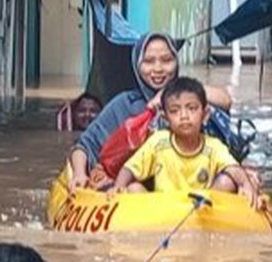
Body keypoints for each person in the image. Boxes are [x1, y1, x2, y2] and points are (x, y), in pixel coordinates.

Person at [66, 32, 233, 192]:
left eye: (166, 60)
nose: (158, 68)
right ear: (137, 65)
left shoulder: (190, 97)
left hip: (196, 194)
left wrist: (168, 93)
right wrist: (80, 174)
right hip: (139, 196)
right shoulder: (124, 105)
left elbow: (225, 100)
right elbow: (84, 145)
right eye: (149, 61)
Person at [110, 76, 260, 208]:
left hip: (201, 210)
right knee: (133, 188)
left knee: (227, 182)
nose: (184, 116)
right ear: (165, 118)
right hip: (162, 209)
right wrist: (118, 187)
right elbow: (130, 167)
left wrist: (246, 185)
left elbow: (232, 167)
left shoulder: (213, 146)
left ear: (205, 114)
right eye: (175, 111)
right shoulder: (158, 142)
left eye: (192, 108)